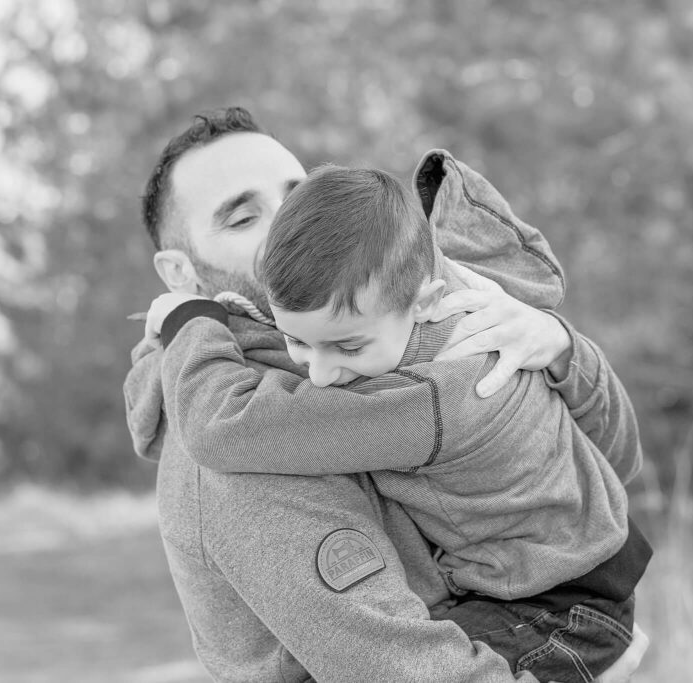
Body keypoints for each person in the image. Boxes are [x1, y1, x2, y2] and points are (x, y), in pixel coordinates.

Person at [125, 106, 649, 682]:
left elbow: (616, 460)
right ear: (179, 274)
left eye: (297, 196)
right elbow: (387, 663)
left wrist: (561, 348)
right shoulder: (247, 436)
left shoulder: (420, 331)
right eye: (242, 217)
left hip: (558, 603)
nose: (284, 227)